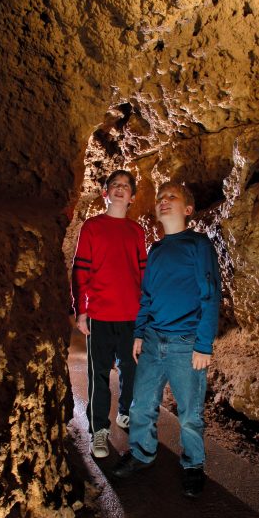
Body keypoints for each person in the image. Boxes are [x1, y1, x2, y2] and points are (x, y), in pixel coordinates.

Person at [112, 181, 221, 497]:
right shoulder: (155, 250)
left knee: (189, 414)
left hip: (186, 345)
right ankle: (142, 453)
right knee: (141, 404)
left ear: (187, 210)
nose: (163, 201)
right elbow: (146, 296)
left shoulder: (198, 245)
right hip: (152, 340)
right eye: (160, 197)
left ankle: (192, 464)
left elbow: (210, 296)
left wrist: (204, 344)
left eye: (171, 196)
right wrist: (139, 332)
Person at [71, 169, 147, 459]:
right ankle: (99, 431)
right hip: (100, 315)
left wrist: (145, 313)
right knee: (98, 374)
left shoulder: (136, 231)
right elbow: (81, 272)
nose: (120, 188)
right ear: (105, 192)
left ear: (132, 197)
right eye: (114, 184)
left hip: (131, 314)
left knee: (131, 369)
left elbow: (142, 273)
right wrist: (82, 310)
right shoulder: (92, 227)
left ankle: (125, 412)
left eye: (125, 186)